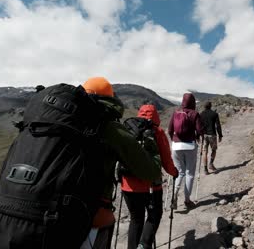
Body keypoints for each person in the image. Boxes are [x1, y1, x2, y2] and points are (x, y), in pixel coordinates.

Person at [80, 77, 162, 249]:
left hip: (54, 212)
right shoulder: (111, 129)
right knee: (143, 217)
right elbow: (152, 170)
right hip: (95, 214)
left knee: (135, 218)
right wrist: (154, 152)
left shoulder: (66, 122)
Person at [121, 104, 178, 249]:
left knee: (136, 219)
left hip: (127, 184)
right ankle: (144, 245)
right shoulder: (157, 132)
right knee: (154, 216)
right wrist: (174, 172)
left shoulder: (128, 130)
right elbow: (166, 160)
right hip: (151, 186)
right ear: (156, 116)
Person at [168, 93, 203, 209]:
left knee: (179, 172)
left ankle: (175, 194)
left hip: (176, 146)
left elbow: (170, 130)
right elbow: (199, 130)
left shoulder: (176, 112)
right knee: (190, 173)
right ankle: (187, 200)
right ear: (192, 102)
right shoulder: (195, 114)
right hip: (190, 146)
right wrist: (198, 136)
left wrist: (173, 140)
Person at [200, 101, 223, 175]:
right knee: (214, 150)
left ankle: (205, 169)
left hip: (204, 135)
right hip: (212, 135)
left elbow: (199, 126)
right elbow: (218, 125)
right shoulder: (215, 114)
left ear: (204, 106)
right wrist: (220, 135)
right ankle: (211, 163)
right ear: (210, 106)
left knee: (205, 152)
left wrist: (198, 135)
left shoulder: (201, 114)